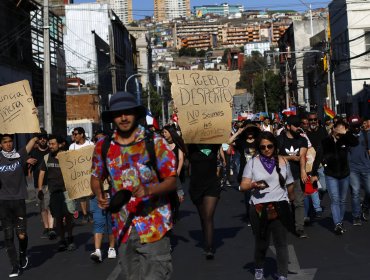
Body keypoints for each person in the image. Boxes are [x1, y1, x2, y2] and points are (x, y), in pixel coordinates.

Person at [90, 91, 177, 280]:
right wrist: (99, 194)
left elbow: (171, 180)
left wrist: (149, 189)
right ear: (112, 117)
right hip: (123, 227)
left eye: (127, 112)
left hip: (154, 225)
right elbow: (96, 176)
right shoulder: (103, 146)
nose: (123, 117)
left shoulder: (154, 142)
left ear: (136, 113)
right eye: (118, 113)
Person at [240, 131, 294, 280]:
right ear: (259, 148)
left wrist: (292, 200)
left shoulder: (283, 161)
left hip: (280, 205)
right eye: (263, 147)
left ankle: (282, 275)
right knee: (262, 242)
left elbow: (290, 184)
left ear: (275, 146)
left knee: (281, 243)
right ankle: (259, 268)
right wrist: (253, 185)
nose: (266, 150)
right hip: (259, 208)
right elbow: (243, 186)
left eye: (269, 146)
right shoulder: (252, 163)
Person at [0, 134, 38, 277]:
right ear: (1, 145)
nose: (8, 144)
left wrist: (34, 116)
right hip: (3, 202)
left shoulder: (19, 155)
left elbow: (32, 141)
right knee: (8, 237)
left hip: (19, 200)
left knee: (21, 235)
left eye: (10, 141)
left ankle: (23, 254)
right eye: (5, 142)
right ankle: (14, 266)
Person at [38, 135, 76, 251]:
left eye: (53, 144)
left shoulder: (67, 156)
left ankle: (70, 238)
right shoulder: (46, 158)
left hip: (67, 191)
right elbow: (41, 173)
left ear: (60, 144)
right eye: (50, 144)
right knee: (58, 217)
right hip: (54, 192)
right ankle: (62, 240)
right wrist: (40, 189)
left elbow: (75, 171)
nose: (51, 146)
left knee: (68, 215)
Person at [322, 119, 358, 234]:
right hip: (331, 174)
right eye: (339, 128)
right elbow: (320, 154)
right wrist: (321, 166)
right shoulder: (326, 140)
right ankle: (337, 223)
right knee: (335, 199)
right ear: (334, 128)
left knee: (342, 200)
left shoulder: (345, 139)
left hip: (344, 174)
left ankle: (340, 221)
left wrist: (346, 133)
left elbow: (355, 142)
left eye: (344, 128)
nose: (341, 131)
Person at [188, 143, 221, 259]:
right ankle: (206, 238)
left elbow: (224, 134)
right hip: (196, 187)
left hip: (212, 185)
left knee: (208, 216)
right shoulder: (190, 146)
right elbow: (178, 141)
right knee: (203, 217)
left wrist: (239, 131)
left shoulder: (214, 145)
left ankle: (209, 248)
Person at [277, 116, 308, 238]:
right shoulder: (279, 139)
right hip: (281, 176)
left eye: (298, 125)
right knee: (282, 202)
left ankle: (299, 228)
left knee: (299, 202)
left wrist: (303, 172)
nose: (298, 127)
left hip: (295, 175)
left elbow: (302, 157)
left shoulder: (302, 140)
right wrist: (289, 158)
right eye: (295, 125)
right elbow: (273, 156)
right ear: (288, 127)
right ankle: (283, 225)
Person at [28, 132, 56, 239]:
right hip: (38, 185)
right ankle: (46, 227)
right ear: (37, 140)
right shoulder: (34, 152)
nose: (43, 140)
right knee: (42, 207)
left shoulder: (50, 151)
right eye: (40, 138)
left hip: (50, 183)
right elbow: (27, 164)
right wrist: (28, 164)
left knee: (49, 206)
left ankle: (51, 228)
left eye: (44, 138)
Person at [347, 116, 370, 226]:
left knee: (369, 191)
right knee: (355, 192)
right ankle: (356, 216)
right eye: (354, 126)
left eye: (357, 126)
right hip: (353, 169)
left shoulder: (366, 134)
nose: (356, 128)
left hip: (366, 167)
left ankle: (365, 206)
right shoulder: (347, 136)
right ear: (350, 126)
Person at [69, 127, 94, 223]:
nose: (73, 136)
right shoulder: (72, 147)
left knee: (92, 194)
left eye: (75, 134)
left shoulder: (90, 144)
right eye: (73, 134)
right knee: (81, 195)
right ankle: (85, 214)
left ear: (82, 134)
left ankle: (92, 213)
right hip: (79, 173)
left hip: (90, 172)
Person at [162, 124, 187, 203]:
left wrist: (178, 170)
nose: (164, 134)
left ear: (170, 132)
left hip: (175, 170)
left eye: (165, 132)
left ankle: (179, 195)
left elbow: (180, 159)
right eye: (163, 132)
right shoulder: (162, 144)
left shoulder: (177, 144)